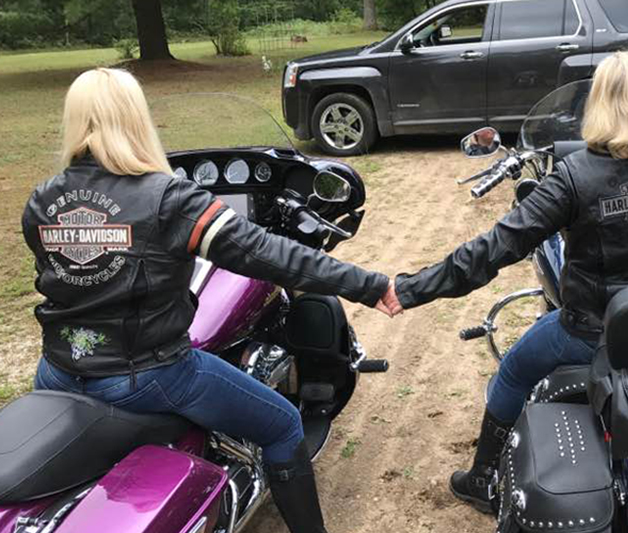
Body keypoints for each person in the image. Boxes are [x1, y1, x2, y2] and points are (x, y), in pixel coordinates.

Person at [22, 68, 396, 533]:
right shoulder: (167, 198)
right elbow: (266, 252)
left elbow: (74, 275)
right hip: (147, 374)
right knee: (282, 425)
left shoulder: (42, 199)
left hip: (57, 369)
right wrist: (369, 284)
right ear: (136, 118)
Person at [381, 51, 628, 514]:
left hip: (591, 332)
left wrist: (411, 288)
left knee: (512, 370)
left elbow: (497, 246)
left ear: (600, 102)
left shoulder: (574, 177)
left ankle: (482, 479)